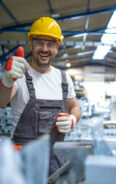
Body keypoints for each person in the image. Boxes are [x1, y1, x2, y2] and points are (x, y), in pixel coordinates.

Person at [0, 17, 81, 175]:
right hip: (24, 164)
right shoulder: (19, 75)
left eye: (50, 43)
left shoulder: (64, 79)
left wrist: (73, 119)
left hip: (56, 163)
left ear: (57, 47)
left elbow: (75, 107)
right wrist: (7, 80)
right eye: (39, 42)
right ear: (31, 43)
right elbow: (1, 102)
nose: (44, 48)